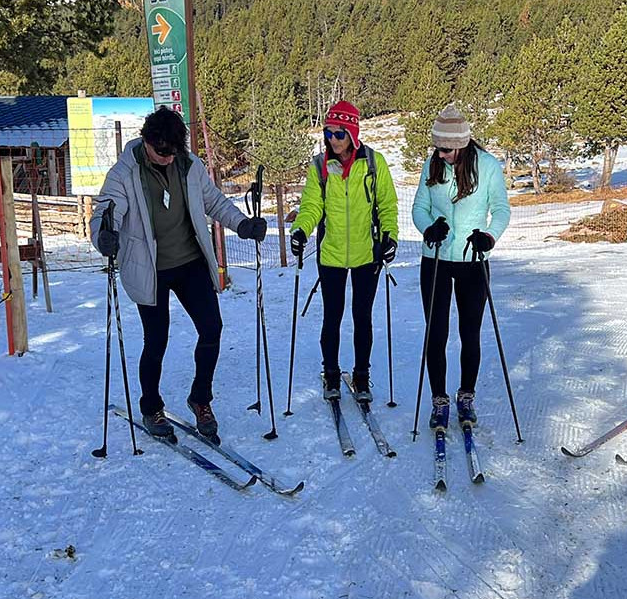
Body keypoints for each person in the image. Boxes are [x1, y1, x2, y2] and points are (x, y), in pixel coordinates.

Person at [90, 107, 267, 444]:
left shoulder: (189, 165)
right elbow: (107, 211)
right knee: (156, 340)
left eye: (174, 151)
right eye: (162, 152)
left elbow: (213, 202)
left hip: (189, 262)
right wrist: (104, 236)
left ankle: (201, 399)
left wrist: (242, 224)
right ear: (146, 142)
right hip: (149, 267)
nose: (168, 158)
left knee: (211, 328)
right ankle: (151, 406)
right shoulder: (125, 172)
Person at [288, 100, 399, 403]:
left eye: (338, 133)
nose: (332, 140)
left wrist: (390, 237)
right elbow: (312, 206)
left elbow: (387, 205)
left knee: (362, 316)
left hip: (367, 253)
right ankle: (331, 374)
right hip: (331, 254)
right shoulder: (319, 166)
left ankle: (362, 376)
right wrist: (301, 229)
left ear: (352, 132)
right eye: (328, 133)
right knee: (332, 317)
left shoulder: (374, 163)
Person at [411, 105, 510, 431]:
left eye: (446, 149)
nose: (440, 154)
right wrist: (428, 228)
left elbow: (500, 209)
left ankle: (466, 396)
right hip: (436, 259)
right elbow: (419, 207)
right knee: (435, 334)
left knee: (469, 333)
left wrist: (489, 237)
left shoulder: (488, 166)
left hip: (473, 261)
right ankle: (439, 400)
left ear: (462, 144)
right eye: (437, 148)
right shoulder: (433, 164)